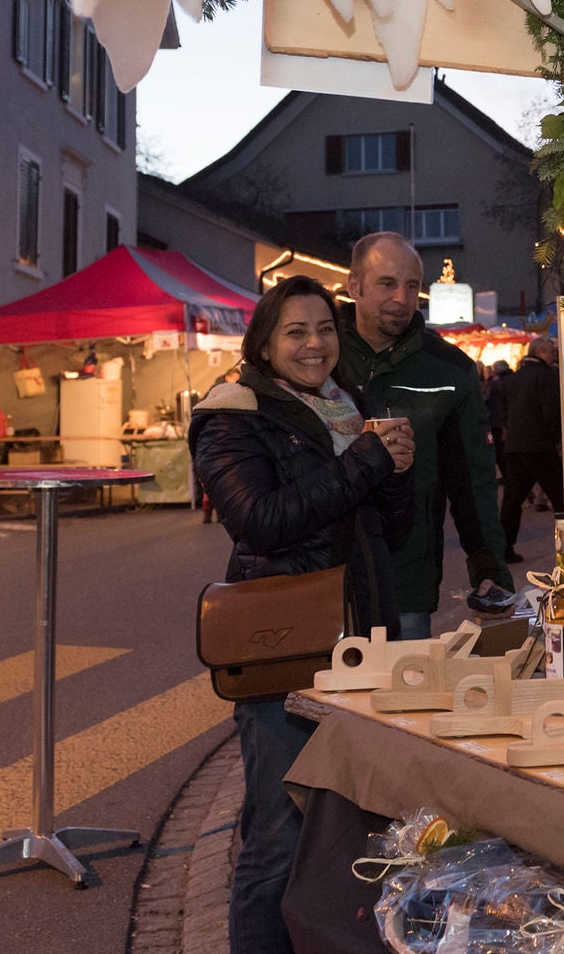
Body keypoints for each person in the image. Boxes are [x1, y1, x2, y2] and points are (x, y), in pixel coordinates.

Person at [191, 275, 416, 954]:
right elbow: (261, 522)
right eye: (295, 331)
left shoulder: (348, 407)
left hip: (362, 644)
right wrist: (367, 461)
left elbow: (388, 534)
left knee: (350, 829)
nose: (314, 344)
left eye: (324, 330)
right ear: (264, 341)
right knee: (278, 839)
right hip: (285, 653)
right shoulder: (232, 416)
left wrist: (396, 473)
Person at [337, 233, 515, 627]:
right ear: (355, 286)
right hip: (319, 575)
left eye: (412, 286)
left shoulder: (449, 370)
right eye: (387, 283)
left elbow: (472, 480)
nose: (402, 298)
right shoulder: (319, 353)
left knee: (405, 686)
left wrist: (489, 569)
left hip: (407, 580)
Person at [499, 337, 564, 561]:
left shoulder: (513, 378)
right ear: (542, 352)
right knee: (561, 498)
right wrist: (555, 438)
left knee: (512, 500)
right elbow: (552, 412)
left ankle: (504, 548)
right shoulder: (547, 376)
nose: (554, 355)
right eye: (552, 352)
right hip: (540, 446)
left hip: (516, 446)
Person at [484, 360, 513, 455]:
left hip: (493, 423)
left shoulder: (495, 382)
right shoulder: (511, 379)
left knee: (491, 446)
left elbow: (486, 400)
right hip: (504, 422)